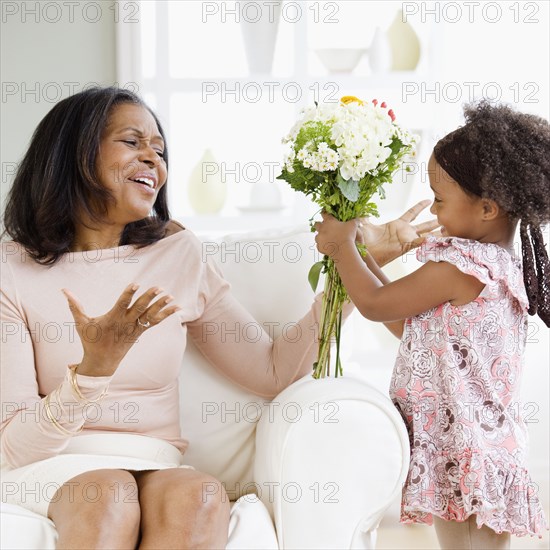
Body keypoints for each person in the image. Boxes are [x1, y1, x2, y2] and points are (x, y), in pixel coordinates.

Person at [0, 86, 437, 549]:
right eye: (131, 142)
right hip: (50, 466)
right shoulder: (12, 270)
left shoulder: (178, 254)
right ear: (74, 153)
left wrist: (356, 268)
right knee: (108, 493)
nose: (153, 159)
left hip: (153, 459)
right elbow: (15, 445)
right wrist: (93, 371)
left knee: (202, 495)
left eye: (159, 150)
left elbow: (272, 372)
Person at [314, 101, 549, 549]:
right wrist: (359, 257)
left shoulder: (460, 266)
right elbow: (412, 326)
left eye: (440, 200)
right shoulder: (497, 265)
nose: (435, 214)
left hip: (463, 442)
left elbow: (375, 304)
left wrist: (343, 247)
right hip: (480, 442)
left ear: (486, 208)